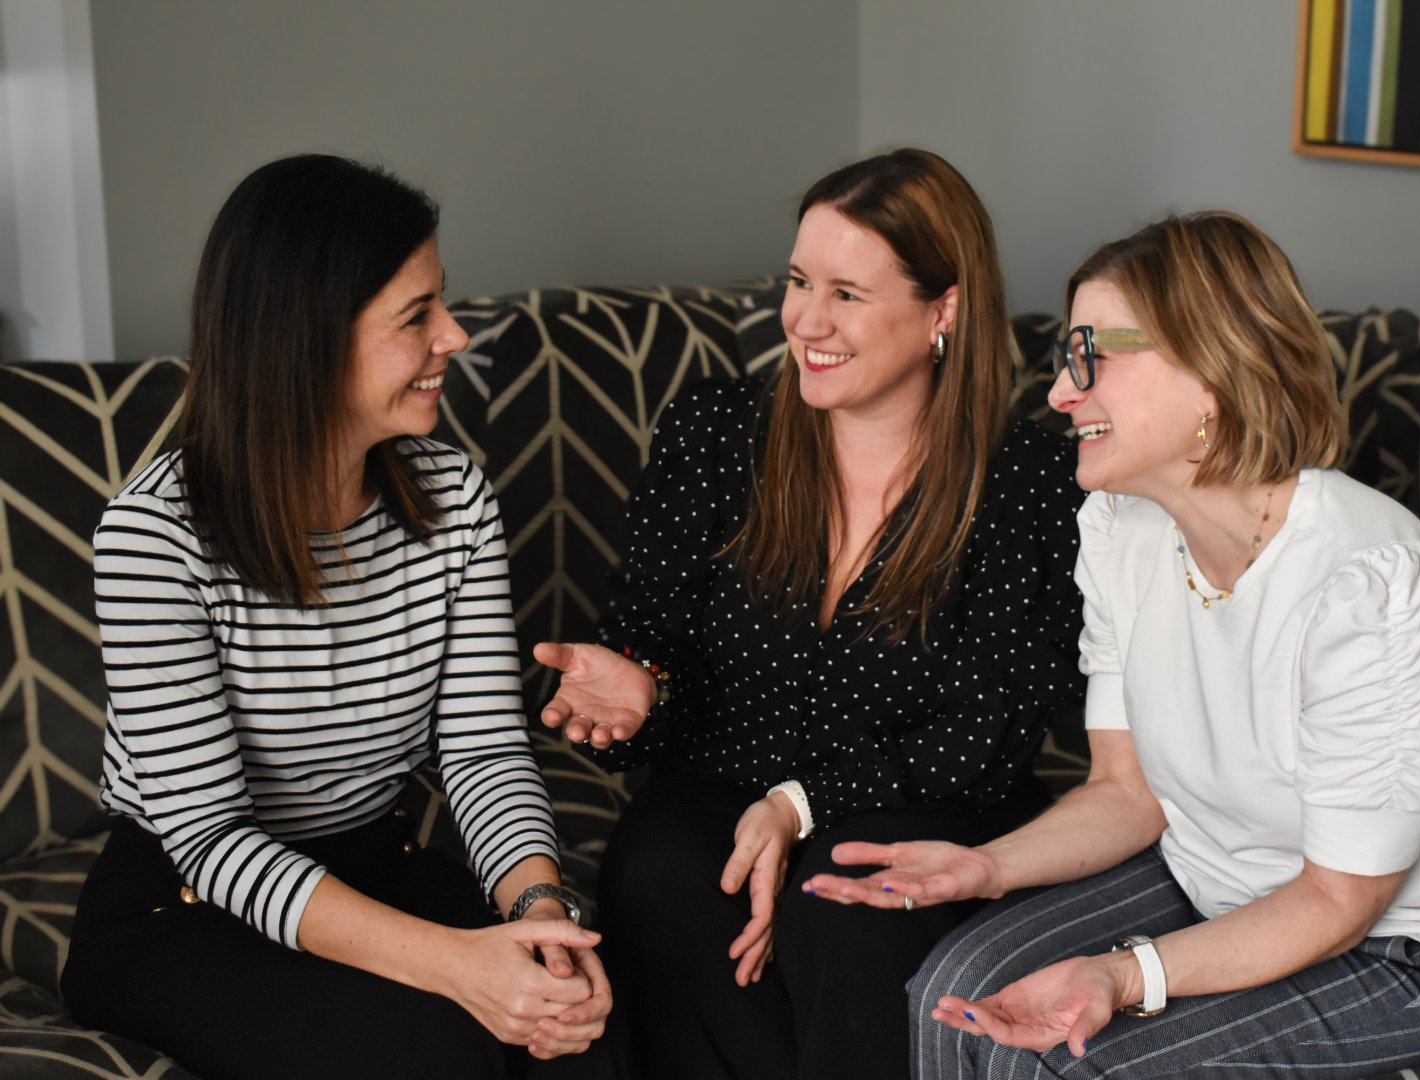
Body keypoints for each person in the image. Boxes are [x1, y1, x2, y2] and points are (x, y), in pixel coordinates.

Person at [804, 211, 1420, 1079]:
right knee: (953, 997)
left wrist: (1123, 976)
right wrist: (983, 867)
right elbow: (1126, 791)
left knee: (1066, 1064)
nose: (1059, 394)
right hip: (1210, 879)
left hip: (1412, 955)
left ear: (1214, 369)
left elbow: (1340, 899)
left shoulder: (1368, 587)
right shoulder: (1121, 527)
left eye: (1092, 358)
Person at [531, 148, 1085, 1080]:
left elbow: (985, 735)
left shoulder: (1027, 483)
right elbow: (652, 642)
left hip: (921, 802)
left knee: (846, 911)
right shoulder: (715, 431)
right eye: (798, 281)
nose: (806, 320)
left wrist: (799, 809)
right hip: (720, 784)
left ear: (943, 309)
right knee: (662, 876)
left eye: (848, 294)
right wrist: (636, 691)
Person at [61, 154, 615, 1080]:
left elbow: (481, 750)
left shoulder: (455, 498)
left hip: (379, 856)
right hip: (188, 901)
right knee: (439, 1044)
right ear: (306, 340)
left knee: (586, 1009)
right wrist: (456, 968)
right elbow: (208, 836)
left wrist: (538, 917)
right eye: (416, 317)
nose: (456, 336)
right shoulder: (153, 539)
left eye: (445, 301)